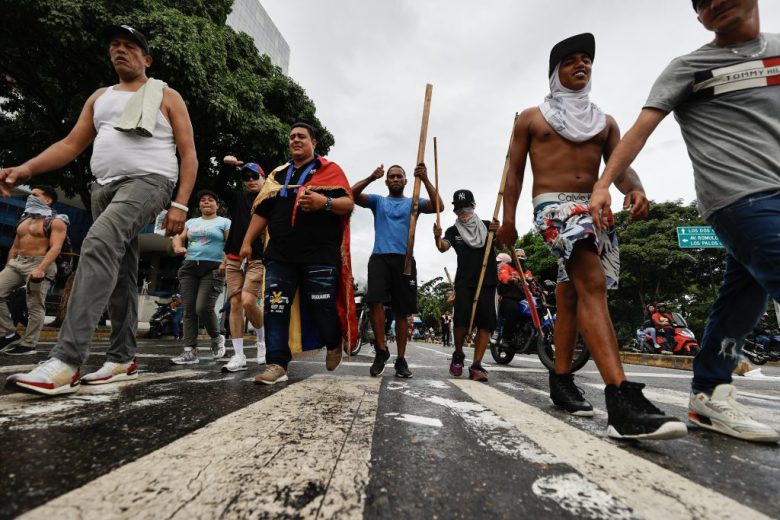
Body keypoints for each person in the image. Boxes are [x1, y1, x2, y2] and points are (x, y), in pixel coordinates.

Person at [589, 0, 779, 442]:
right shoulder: (688, 68)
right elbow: (638, 131)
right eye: (699, 1)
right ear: (698, 16)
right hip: (739, 199)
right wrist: (606, 185)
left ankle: (709, 393)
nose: (713, 2)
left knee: (742, 301)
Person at [497, 33, 686, 440]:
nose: (581, 65)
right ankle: (621, 400)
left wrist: (635, 189)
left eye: (587, 60)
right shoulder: (531, 118)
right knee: (592, 283)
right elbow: (514, 173)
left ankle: (561, 380)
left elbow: (620, 168)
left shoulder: (605, 122)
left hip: (594, 208)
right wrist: (508, 219)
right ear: (555, 72)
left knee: (570, 295)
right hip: (554, 208)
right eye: (571, 61)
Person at [3, 25, 196, 395]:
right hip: (103, 188)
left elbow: (189, 154)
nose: (121, 50)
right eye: (115, 46)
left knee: (97, 245)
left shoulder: (167, 96)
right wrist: (27, 168)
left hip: (149, 182)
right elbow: (71, 143)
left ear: (146, 59)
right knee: (122, 273)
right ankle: (123, 358)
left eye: (130, 46)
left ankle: (66, 360)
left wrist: (180, 204)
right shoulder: (100, 97)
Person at [240, 122, 356, 385]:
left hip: (320, 254)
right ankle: (277, 364)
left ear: (313, 142)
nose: (295, 140)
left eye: (301, 136)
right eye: (292, 136)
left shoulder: (329, 170)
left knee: (322, 306)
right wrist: (247, 242)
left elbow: (347, 204)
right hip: (279, 255)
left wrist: (323, 202)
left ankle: (333, 341)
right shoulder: (278, 175)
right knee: (275, 307)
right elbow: (262, 212)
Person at [351, 163, 443, 378]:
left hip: (405, 259)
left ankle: (401, 360)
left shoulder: (413, 203)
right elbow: (351, 194)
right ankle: (381, 351)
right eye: (391, 177)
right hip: (380, 257)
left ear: (405, 181)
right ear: (386, 181)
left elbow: (439, 205)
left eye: (398, 176)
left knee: (403, 312)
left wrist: (426, 179)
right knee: (375, 301)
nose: (394, 179)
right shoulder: (378, 201)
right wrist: (371, 177)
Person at [434, 189, 498, 381]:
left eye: (467, 206)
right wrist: (437, 237)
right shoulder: (453, 231)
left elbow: (504, 243)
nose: (463, 211)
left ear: (473, 205)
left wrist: (500, 230)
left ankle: (477, 365)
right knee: (460, 321)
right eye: (459, 208)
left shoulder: (488, 227)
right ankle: (459, 353)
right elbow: (443, 247)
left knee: (486, 323)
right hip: (464, 283)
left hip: (487, 282)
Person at [0, 186, 68, 355]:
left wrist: (41, 268)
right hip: (17, 263)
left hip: (40, 263)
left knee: (35, 306)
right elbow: (15, 247)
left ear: (47, 200)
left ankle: (29, 343)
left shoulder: (56, 221)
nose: (30, 197)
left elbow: (56, 247)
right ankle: (9, 333)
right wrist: (9, 265)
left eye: (35, 195)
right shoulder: (23, 220)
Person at [216, 155, 267, 372]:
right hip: (234, 257)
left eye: (255, 176)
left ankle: (263, 341)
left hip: (258, 258)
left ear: (264, 178)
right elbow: (219, 186)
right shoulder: (238, 198)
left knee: (248, 302)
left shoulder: (270, 199)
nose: (250, 180)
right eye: (246, 177)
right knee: (235, 304)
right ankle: (238, 355)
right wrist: (227, 168)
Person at [169, 190, 229, 364]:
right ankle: (190, 351)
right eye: (203, 200)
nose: (206, 203)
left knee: (202, 308)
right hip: (189, 267)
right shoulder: (192, 222)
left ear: (217, 205)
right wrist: (178, 247)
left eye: (211, 200)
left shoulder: (224, 222)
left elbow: (230, 244)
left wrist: (225, 263)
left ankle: (217, 338)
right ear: (199, 205)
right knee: (188, 310)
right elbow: (178, 238)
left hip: (213, 268)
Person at [495, 252, 526, 347]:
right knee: (513, 309)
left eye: (522, 258)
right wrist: (511, 278)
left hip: (523, 298)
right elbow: (503, 277)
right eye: (518, 258)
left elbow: (531, 280)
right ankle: (504, 337)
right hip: (508, 298)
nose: (520, 260)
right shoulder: (506, 267)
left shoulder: (526, 271)